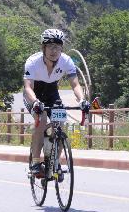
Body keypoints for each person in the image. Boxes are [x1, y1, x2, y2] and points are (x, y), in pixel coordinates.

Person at [23, 28, 90, 177]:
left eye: (58, 47)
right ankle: (35, 162)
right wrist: (35, 102)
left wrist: (82, 100)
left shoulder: (66, 61)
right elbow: (28, 87)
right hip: (34, 94)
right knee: (41, 120)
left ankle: (55, 161)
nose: (54, 51)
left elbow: (75, 84)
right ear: (43, 48)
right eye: (51, 46)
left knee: (60, 124)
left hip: (52, 92)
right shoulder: (32, 62)